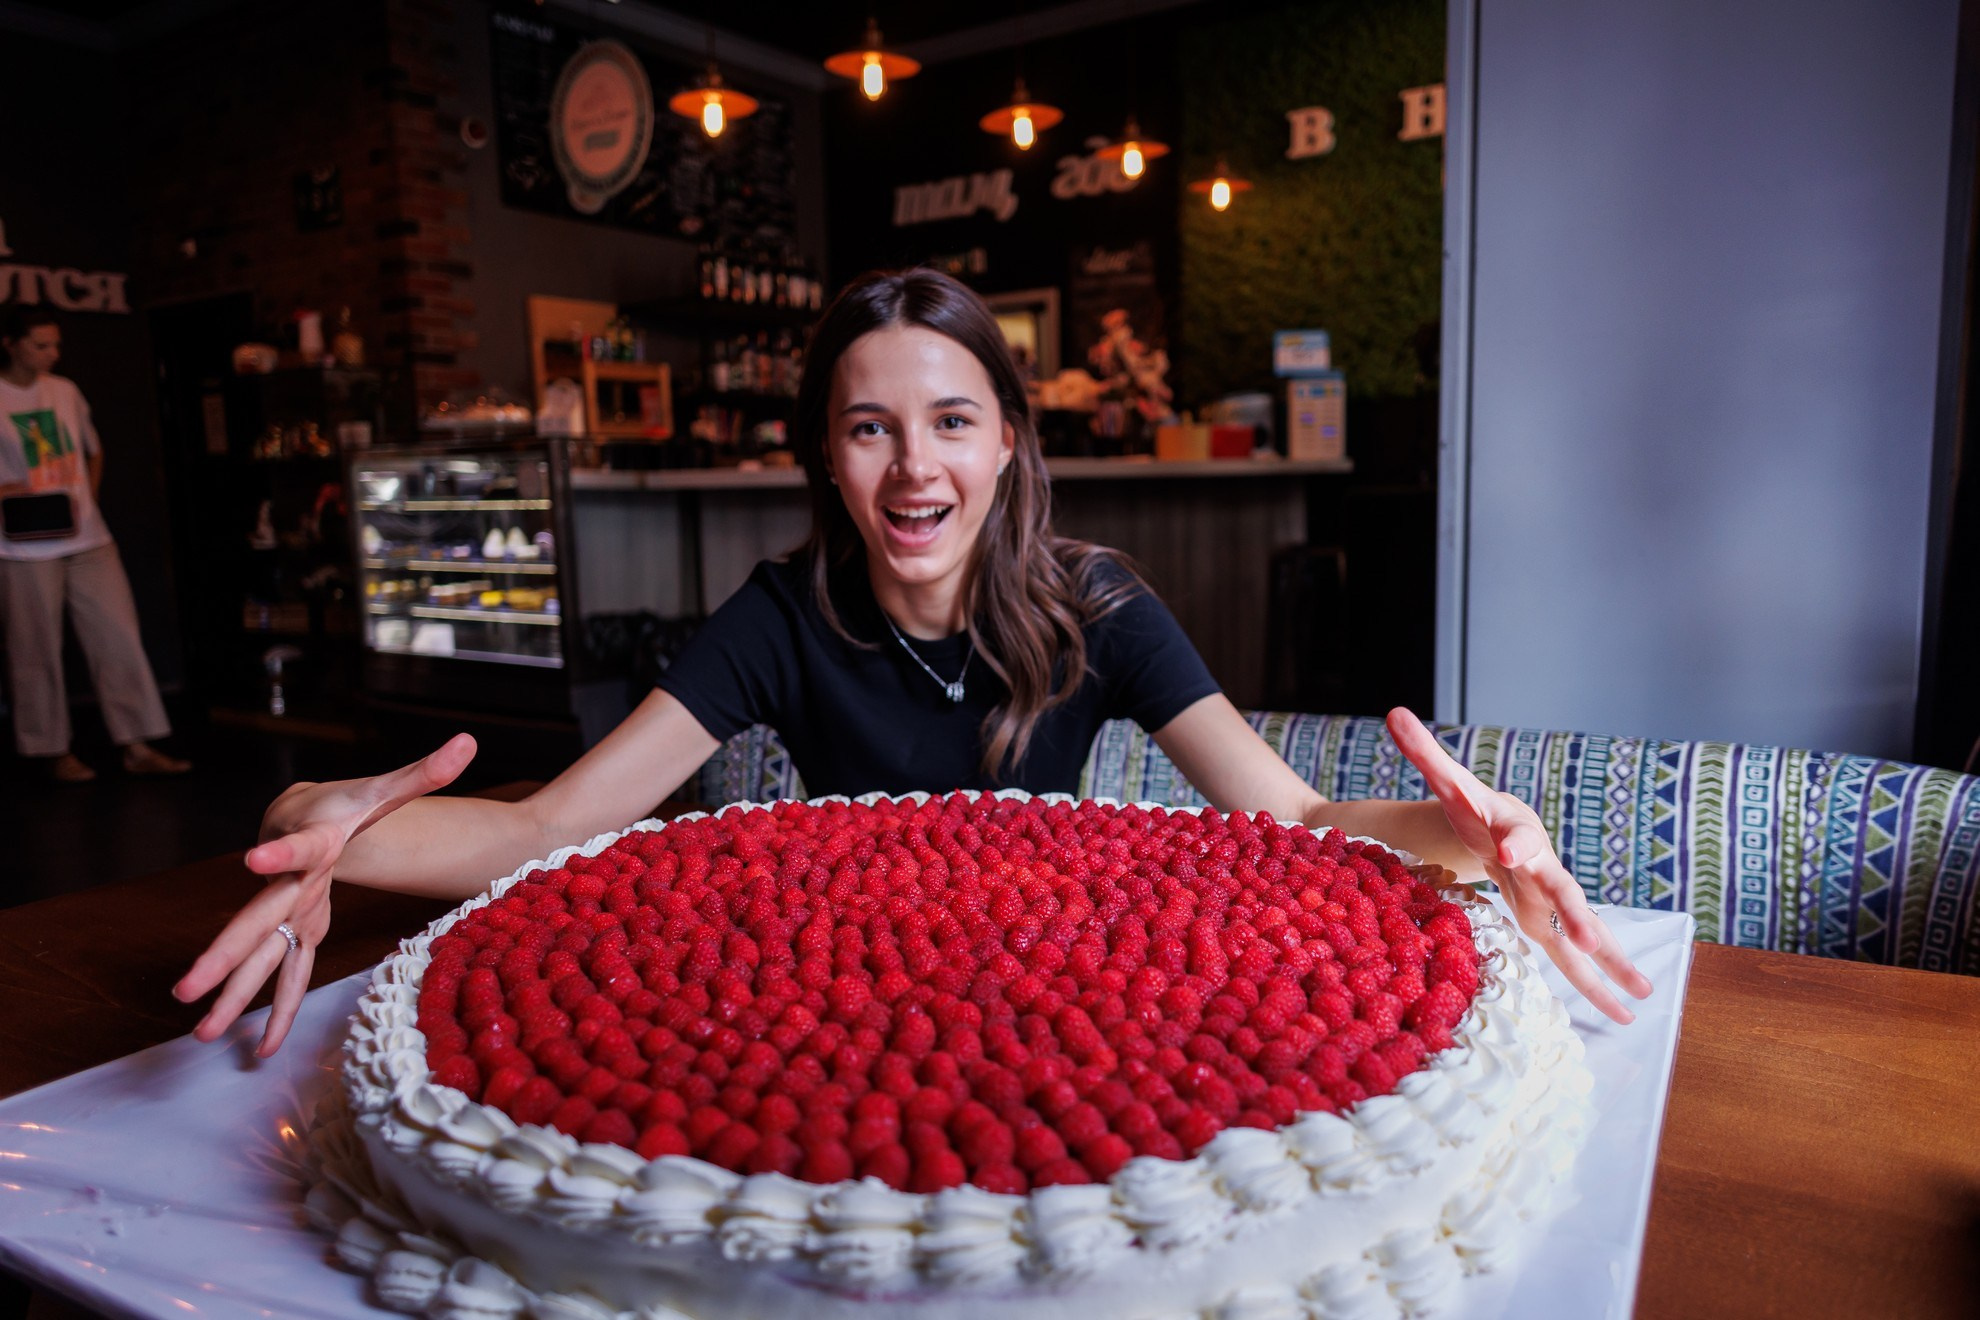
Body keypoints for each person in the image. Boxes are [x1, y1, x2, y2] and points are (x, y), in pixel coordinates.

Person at [176, 268, 1650, 1057]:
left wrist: (1464, 837)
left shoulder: (1102, 601)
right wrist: (313, 824)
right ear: (826, 453)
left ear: (1008, 440)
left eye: (950, 419)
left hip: (1072, 1002)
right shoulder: (776, 614)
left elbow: (1301, 823)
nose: (912, 466)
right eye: (870, 426)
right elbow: (546, 828)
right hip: (842, 1015)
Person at [0, 307, 190, 783]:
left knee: (118, 636)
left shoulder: (64, 390)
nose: (52, 354)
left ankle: (137, 744)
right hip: (22, 545)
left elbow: (93, 449)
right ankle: (50, 751)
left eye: (55, 344)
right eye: (40, 345)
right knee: (35, 649)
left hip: (88, 538)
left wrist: (88, 496)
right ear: (10, 343)